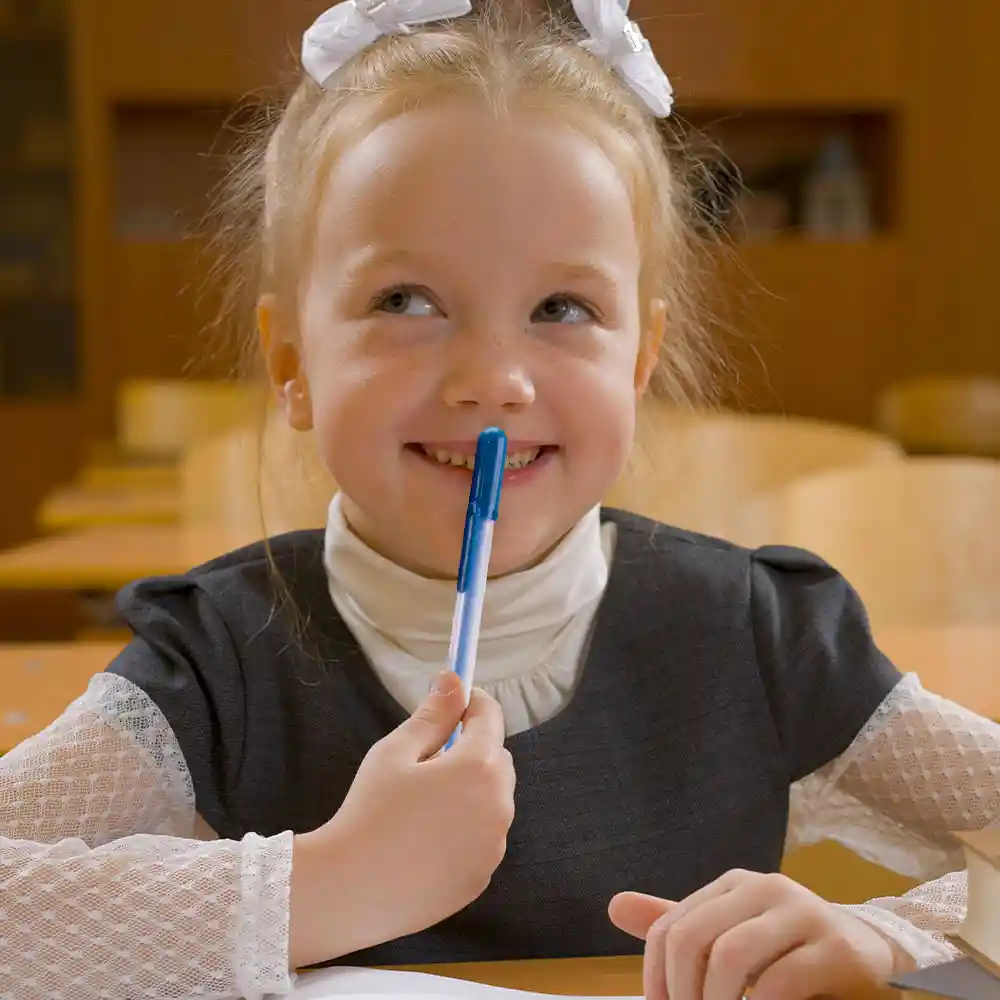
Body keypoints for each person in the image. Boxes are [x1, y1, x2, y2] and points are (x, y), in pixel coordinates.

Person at [2, 1, 998, 998]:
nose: (493, 378)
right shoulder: (212, 664)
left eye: (561, 309)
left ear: (640, 360)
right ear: (291, 363)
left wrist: (879, 937)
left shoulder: (759, 633)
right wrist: (333, 881)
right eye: (406, 301)